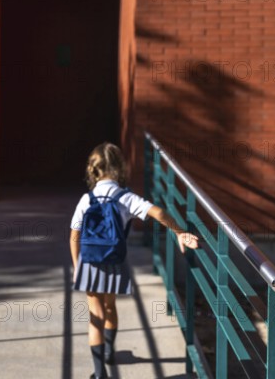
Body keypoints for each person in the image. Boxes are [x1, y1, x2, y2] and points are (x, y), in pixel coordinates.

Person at [69, 142, 199, 379]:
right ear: (120, 167)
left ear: (93, 169)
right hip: (115, 261)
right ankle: (109, 351)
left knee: (95, 316)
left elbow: (74, 235)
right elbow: (158, 212)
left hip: (90, 262)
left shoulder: (86, 199)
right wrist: (179, 231)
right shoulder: (125, 197)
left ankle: (99, 373)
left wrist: (77, 266)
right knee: (110, 306)